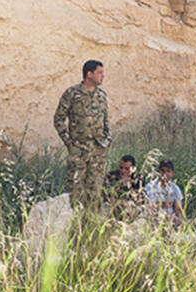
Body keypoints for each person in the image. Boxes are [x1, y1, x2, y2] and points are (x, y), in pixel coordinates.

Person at [54, 60, 111, 210]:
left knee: (95, 192)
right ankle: (75, 227)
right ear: (89, 74)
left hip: (98, 151)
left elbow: (106, 120)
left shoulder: (101, 96)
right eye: (100, 72)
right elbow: (58, 119)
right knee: (76, 191)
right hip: (78, 149)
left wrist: (107, 138)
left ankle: (91, 228)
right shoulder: (72, 94)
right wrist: (68, 142)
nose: (103, 76)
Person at [143, 159, 185, 226]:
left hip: (172, 220)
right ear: (158, 172)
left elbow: (179, 210)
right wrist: (168, 217)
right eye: (162, 171)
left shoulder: (175, 188)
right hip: (154, 219)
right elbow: (151, 209)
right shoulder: (150, 187)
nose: (165, 174)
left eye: (168, 171)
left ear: (172, 173)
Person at [106, 154, 144, 219]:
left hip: (129, 208)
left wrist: (128, 185)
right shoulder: (111, 176)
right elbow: (107, 195)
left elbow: (139, 199)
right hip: (112, 206)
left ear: (133, 169)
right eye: (121, 168)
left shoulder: (137, 180)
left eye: (127, 169)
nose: (123, 171)